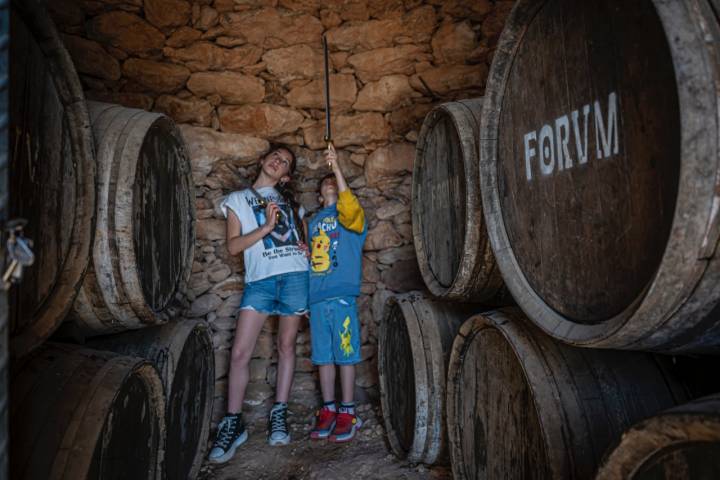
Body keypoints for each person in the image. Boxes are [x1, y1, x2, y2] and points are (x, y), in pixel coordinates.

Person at [208, 145, 308, 464]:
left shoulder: (292, 203)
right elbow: (234, 246)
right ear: (264, 161)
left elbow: (302, 241)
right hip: (260, 282)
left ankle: (279, 413)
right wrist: (264, 228)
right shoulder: (238, 199)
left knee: (286, 346)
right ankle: (234, 422)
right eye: (275, 156)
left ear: (286, 175)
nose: (278, 161)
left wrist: (305, 249)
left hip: (295, 277)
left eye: (285, 162)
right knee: (240, 352)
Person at [306, 145, 367, 443]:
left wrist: (337, 168)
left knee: (345, 354)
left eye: (333, 181)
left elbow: (348, 203)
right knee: (323, 356)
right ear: (319, 197)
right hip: (317, 299)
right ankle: (328, 409)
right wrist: (305, 298)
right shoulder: (314, 222)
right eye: (325, 183)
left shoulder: (350, 216)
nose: (329, 182)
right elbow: (306, 260)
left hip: (342, 296)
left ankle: (348, 411)